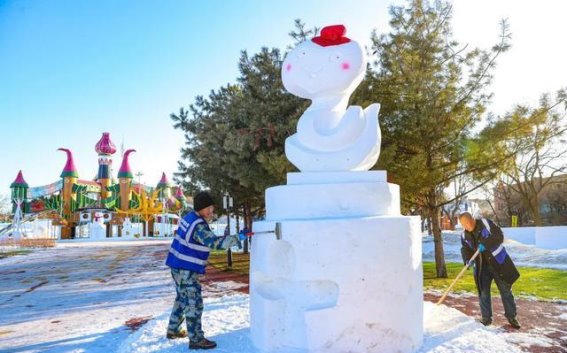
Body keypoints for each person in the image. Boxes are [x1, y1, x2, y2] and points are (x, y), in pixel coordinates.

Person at [165, 191, 240, 350]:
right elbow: (216, 244)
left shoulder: (189, 217)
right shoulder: (198, 226)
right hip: (186, 269)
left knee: (181, 298)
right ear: (200, 208)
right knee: (194, 303)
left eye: (212, 207)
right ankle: (196, 339)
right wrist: (238, 237)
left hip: (176, 265)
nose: (211, 211)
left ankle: (173, 329)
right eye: (208, 208)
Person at [459, 212, 521, 329]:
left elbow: (499, 236)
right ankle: (486, 319)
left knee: (506, 291)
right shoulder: (464, 235)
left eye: (467, 222)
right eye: (463, 224)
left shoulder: (485, 223)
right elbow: (465, 249)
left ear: (472, 219)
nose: (466, 226)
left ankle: (511, 317)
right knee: (483, 293)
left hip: (498, 263)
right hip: (482, 267)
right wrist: (467, 260)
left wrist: (486, 244)